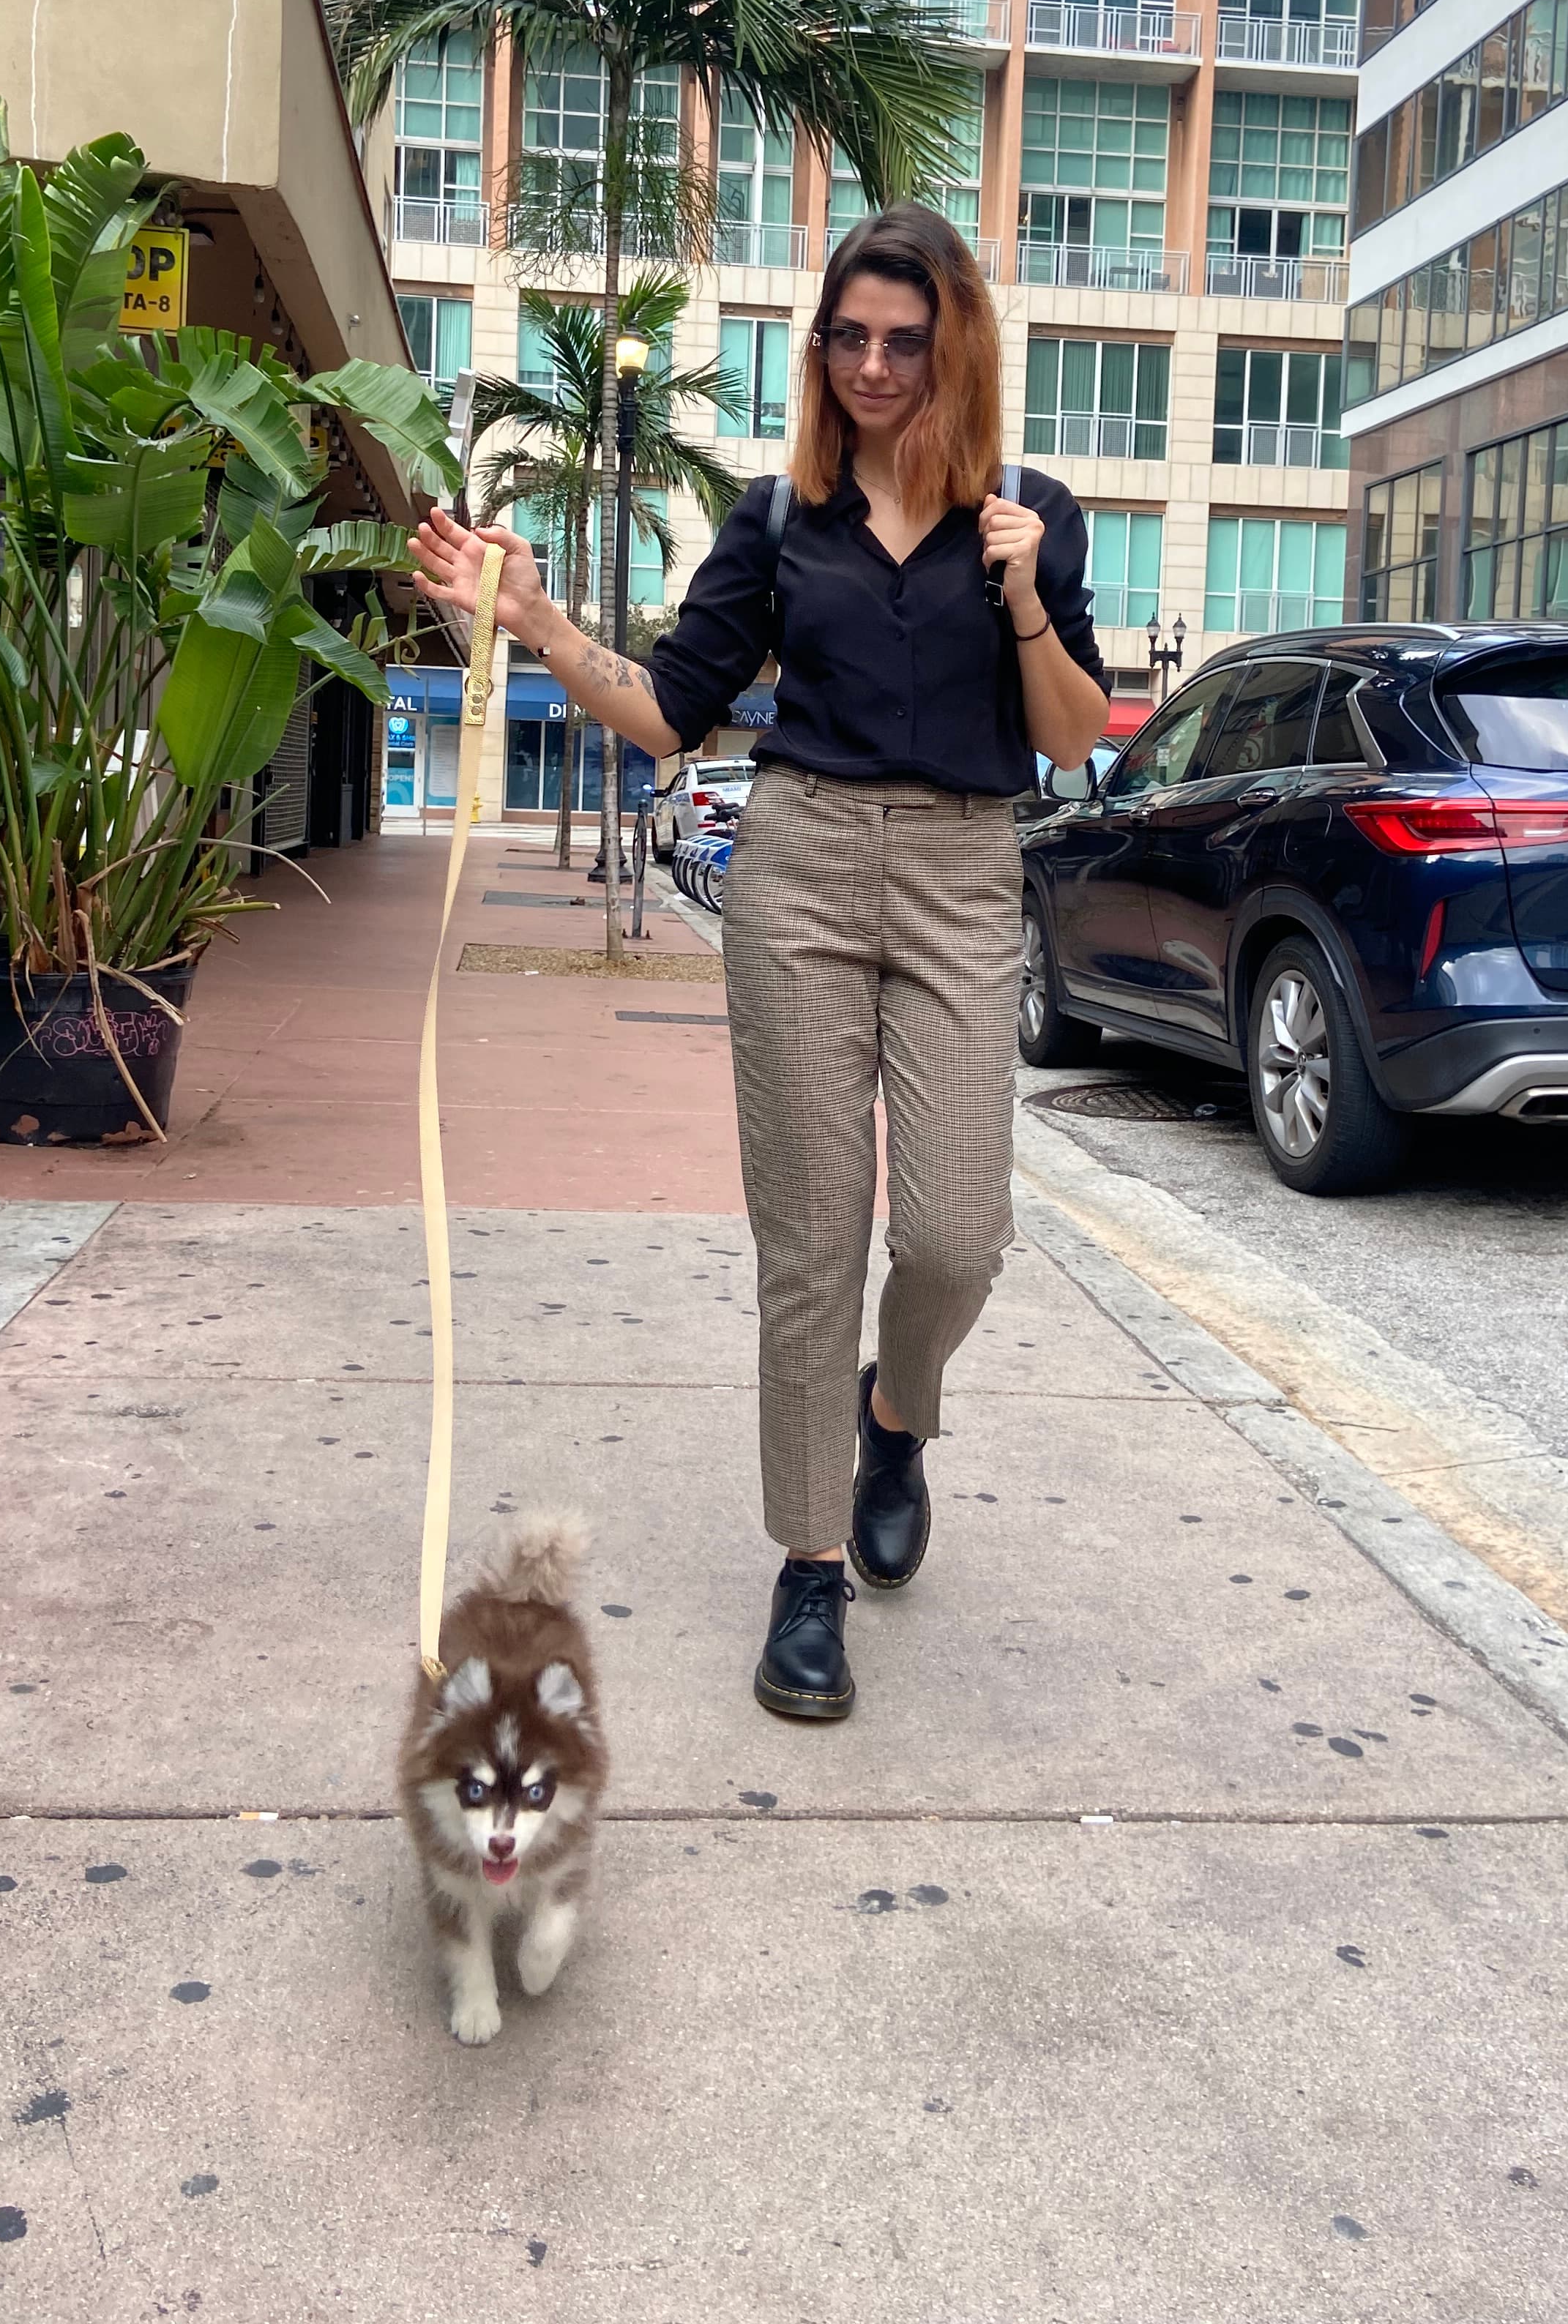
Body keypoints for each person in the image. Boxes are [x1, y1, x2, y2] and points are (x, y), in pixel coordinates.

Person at [406, 204, 1109, 1722]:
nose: (874, 366)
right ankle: (809, 1566)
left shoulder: (1031, 514)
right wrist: (538, 621)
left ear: (957, 346)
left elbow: (1069, 737)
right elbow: (671, 710)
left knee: (956, 1236)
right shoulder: (782, 518)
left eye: (905, 340)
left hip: (965, 874)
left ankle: (896, 1416)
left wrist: (1025, 592)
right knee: (810, 1244)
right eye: (849, 337)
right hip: (798, 866)